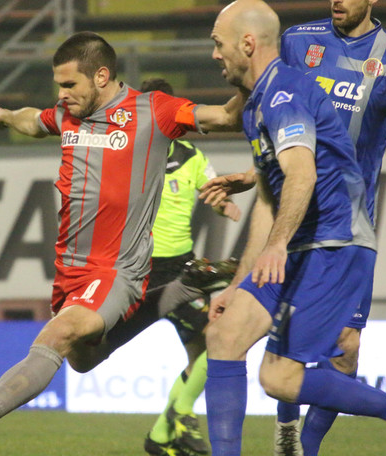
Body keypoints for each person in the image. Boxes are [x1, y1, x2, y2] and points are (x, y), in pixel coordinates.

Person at [201, 1, 386, 454]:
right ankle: (289, 434)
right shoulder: (294, 50)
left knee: (338, 353)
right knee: (226, 335)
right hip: (294, 222)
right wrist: (242, 278)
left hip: (338, 230)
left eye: (219, 44)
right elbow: (280, 178)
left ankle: (320, 441)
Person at [0, 31, 244, 451]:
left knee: (58, 334)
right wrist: (8, 116)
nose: (62, 95)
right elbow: (35, 120)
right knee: (83, 361)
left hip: (118, 268)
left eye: (69, 85)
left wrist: (254, 78)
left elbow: (226, 117)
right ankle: (182, 288)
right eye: (58, 86)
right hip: (71, 269)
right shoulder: (68, 114)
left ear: (101, 75)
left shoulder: (153, 110)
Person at [138, 78, 240, 456]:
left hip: (184, 266)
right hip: (149, 271)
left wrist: (222, 203)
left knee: (203, 350)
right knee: (219, 339)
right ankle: (182, 413)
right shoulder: (131, 154)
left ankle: (160, 437)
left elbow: (211, 187)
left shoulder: (192, 156)